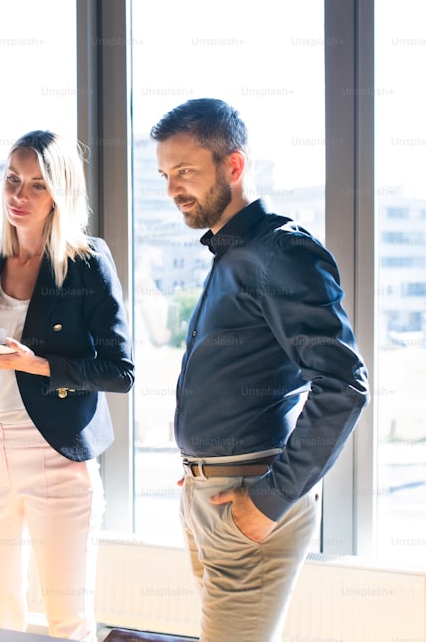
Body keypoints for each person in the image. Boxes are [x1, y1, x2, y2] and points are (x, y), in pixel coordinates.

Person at [150, 99, 369, 642]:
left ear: (235, 166)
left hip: (249, 502)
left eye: (185, 171)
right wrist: (203, 462)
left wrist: (269, 500)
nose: (173, 187)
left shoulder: (280, 252)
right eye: (165, 174)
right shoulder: (231, 253)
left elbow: (343, 385)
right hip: (210, 495)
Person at [0, 131, 134, 641]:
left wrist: (37, 365)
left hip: (57, 453)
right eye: (12, 180)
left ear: (60, 194)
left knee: (67, 620)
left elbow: (121, 371)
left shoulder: (86, 261)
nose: (18, 196)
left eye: (36, 185)